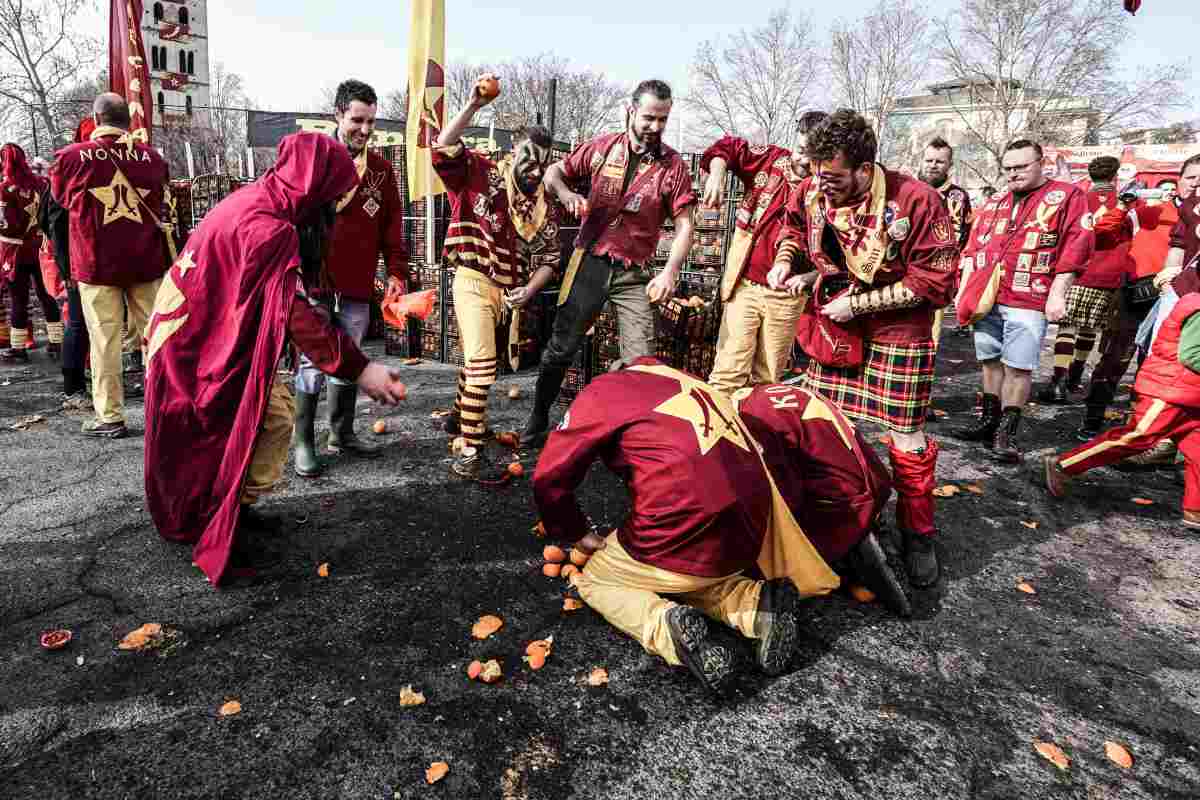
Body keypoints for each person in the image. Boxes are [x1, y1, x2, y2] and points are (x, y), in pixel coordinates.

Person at [144, 132, 409, 586]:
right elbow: (295, 315)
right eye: (334, 194)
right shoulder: (269, 227)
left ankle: (237, 510)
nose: (337, 206)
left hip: (196, 335)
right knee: (229, 430)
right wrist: (362, 369)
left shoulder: (257, 200)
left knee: (268, 413)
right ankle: (216, 525)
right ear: (315, 186)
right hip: (191, 346)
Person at [533, 358, 841, 696]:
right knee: (682, 572)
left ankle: (668, 630)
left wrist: (574, 530)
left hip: (684, 522)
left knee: (596, 579)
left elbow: (551, 476)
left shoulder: (603, 390)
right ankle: (756, 605)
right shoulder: (686, 380)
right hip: (752, 528)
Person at [771, 109, 957, 588]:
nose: (819, 184)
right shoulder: (813, 187)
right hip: (834, 329)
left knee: (906, 437)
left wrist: (859, 306)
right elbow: (792, 228)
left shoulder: (917, 200)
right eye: (815, 172)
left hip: (899, 334)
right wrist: (787, 263)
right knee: (829, 431)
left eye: (831, 176)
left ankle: (917, 533)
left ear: (863, 167)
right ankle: (846, 521)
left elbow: (934, 284)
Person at [519, 79, 696, 448]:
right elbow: (554, 173)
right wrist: (567, 194)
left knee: (641, 360)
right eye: (649, 118)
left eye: (663, 119)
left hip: (634, 273)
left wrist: (670, 270)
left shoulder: (673, 166)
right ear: (631, 112)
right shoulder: (602, 148)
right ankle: (538, 416)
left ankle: (632, 437)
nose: (655, 127)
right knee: (561, 348)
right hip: (589, 262)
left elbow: (685, 225)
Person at [433, 74, 564, 477]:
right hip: (472, 277)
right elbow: (443, 146)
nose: (534, 170)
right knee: (484, 362)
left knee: (477, 360)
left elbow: (550, 257)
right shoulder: (483, 174)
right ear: (513, 150)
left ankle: (459, 418)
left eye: (543, 164)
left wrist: (530, 288)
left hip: (508, 292)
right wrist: (473, 106)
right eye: (529, 159)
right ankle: (469, 447)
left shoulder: (544, 206)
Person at [292, 79, 408, 477]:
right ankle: (304, 441)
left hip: (357, 284)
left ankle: (341, 432)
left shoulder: (380, 169)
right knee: (312, 361)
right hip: (316, 281)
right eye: (357, 119)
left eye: (371, 121)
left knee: (350, 355)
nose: (364, 129)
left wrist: (395, 271)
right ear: (337, 114)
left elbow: (393, 226)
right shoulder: (313, 159)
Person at [952, 139, 1092, 461]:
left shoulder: (1068, 196)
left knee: (1018, 365)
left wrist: (1058, 293)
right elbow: (974, 248)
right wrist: (964, 293)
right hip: (988, 296)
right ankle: (988, 421)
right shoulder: (996, 201)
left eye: (1021, 167)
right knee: (989, 360)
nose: (1013, 174)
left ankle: (1007, 432)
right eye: (1008, 168)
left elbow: (1077, 246)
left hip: (1029, 296)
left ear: (1041, 163)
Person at [48, 93, 170, 438]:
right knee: (157, 337)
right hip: (146, 262)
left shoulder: (70, 159)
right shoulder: (151, 158)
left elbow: (59, 200)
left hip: (96, 263)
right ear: (128, 122)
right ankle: (165, 408)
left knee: (104, 341)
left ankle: (111, 416)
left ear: (96, 117)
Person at [734, 381, 910, 616]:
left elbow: (787, 495)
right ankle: (867, 530)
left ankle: (844, 551)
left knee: (774, 514)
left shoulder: (752, 424)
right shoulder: (776, 394)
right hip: (876, 481)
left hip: (840, 503)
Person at [1042, 287, 1200, 529]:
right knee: (1136, 437)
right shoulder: (1198, 307)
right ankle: (1064, 464)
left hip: (1188, 393)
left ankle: (1195, 510)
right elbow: (1191, 355)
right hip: (1170, 391)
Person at [700, 111, 827, 395]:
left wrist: (810, 276)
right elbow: (726, 147)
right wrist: (717, 176)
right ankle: (715, 434)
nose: (804, 161)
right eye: (801, 150)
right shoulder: (769, 160)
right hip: (744, 285)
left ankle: (753, 434)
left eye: (814, 156)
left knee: (766, 378)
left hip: (787, 294)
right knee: (727, 372)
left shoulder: (826, 187)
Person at [1038, 157, 1129, 408]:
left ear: (1090, 175)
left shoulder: (1080, 198)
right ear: (1115, 176)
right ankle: (1074, 380)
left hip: (1079, 271)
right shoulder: (1127, 202)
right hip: (1108, 275)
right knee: (1088, 328)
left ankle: (1058, 381)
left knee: (1066, 327)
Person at [1, 143, 62, 363]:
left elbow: (6, 225)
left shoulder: (5, 188)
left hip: (16, 250)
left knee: (19, 299)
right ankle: (56, 342)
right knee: (46, 295)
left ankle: (18, 349)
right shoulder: (42, 183)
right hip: (41, 246)